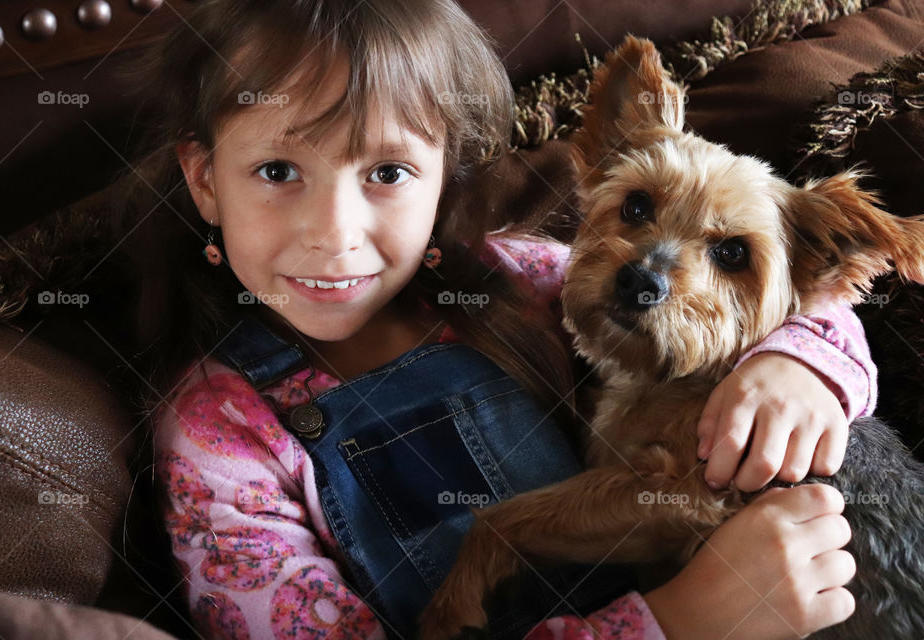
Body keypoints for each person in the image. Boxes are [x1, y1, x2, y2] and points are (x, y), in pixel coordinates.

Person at [117, 0, 874, 637]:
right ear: (204, 180)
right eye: (278, 171)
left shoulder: (514, 278)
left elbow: (807, 294)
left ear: (449, 173)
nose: (334, 232)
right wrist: (672, 623)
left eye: (387, 172)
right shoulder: (221, 434)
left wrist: (802, 364)